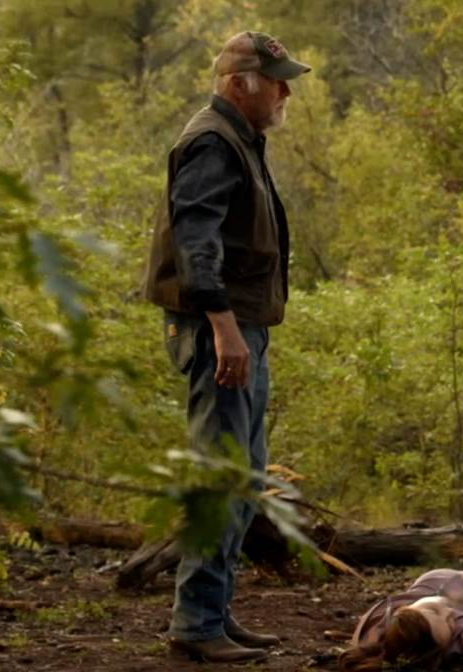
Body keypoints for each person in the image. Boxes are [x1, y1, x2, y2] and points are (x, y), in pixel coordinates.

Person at [142, 31, 311, 663]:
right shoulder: (214, 142)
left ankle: (212, 612)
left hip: (238, 328)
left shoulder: (238, 138)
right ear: (241, 83)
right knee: (220, 475)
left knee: (243, 475)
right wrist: (223, 325)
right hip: (221, 329)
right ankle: (196, 625)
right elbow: (197, 240)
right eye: (277, 82)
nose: (286, 93)